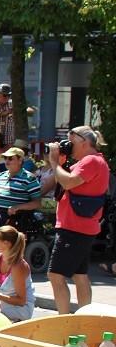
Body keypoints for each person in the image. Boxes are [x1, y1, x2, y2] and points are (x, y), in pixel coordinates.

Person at [46, 126, 110, 314]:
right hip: (81, 227)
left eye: (71, 142)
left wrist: (53, 161)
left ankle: (65, 321)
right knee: (80, 275)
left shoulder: (90, 160)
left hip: (74, 228)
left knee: (55, 274)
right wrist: (61, 162)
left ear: (84, 142)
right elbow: (63, 181)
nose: (68, 146)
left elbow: (68, 182)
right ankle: (85, 318)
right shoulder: (92, 161)